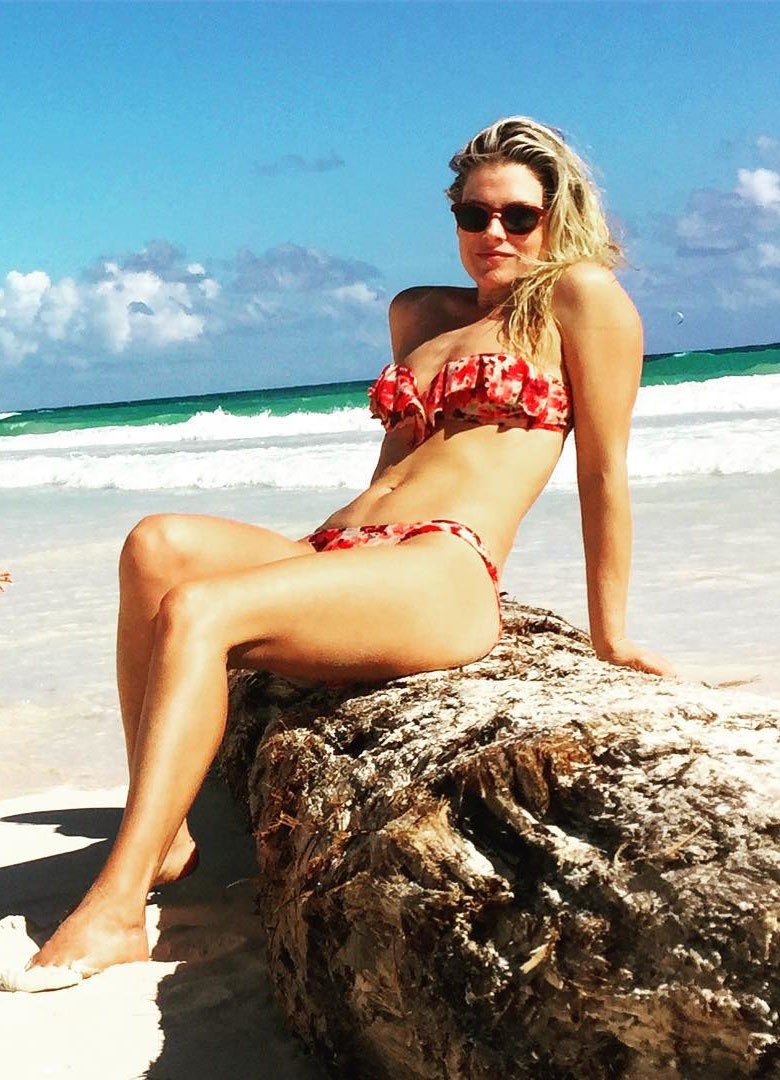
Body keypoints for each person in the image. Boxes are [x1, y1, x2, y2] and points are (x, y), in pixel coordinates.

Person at [3, 115, 674, 991]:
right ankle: (163, 836)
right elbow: (395, 468)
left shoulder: (580, 298)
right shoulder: (419, 313)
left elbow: (604, 474)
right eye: (474, 215)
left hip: (443, 570)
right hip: (351, 548)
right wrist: (317, 562)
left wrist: (610, 635)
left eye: (519, 215)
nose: (494, 234)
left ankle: (117, 909)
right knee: (156, 545)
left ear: (559, 214)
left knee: (201, 610)